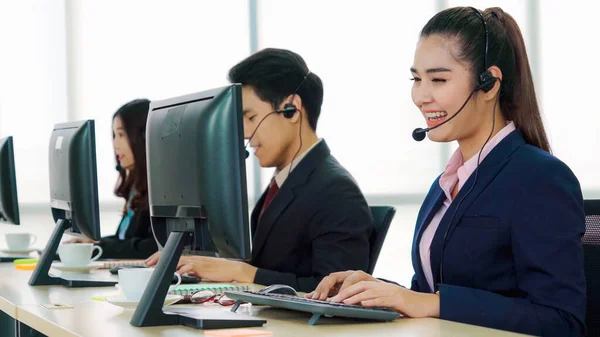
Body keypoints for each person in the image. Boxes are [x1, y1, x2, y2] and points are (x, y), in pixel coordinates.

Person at [307, 7, 586, 337]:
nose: (421, 96)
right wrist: (376, 291)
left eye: (438, 79)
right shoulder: (446, 184)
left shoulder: (540, 179)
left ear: (489, 83)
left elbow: (562, 321)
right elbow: (429, 294)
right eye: (416, 79)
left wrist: (433, 303)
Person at [147, 48, 374, 293]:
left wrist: (244, 273)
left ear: (291, 109)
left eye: (251, 118)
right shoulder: (286, 182)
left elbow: (338, 290)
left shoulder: (335, 191)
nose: (243, 132)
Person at [68, 99, 158, 259]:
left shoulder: (159, 188)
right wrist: (94, 242)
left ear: (144, 136)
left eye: (122, 134)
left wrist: (101, 246)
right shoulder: (136, 187)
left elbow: (152, 247)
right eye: (114, 135)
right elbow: (126, 240)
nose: (115, 144)